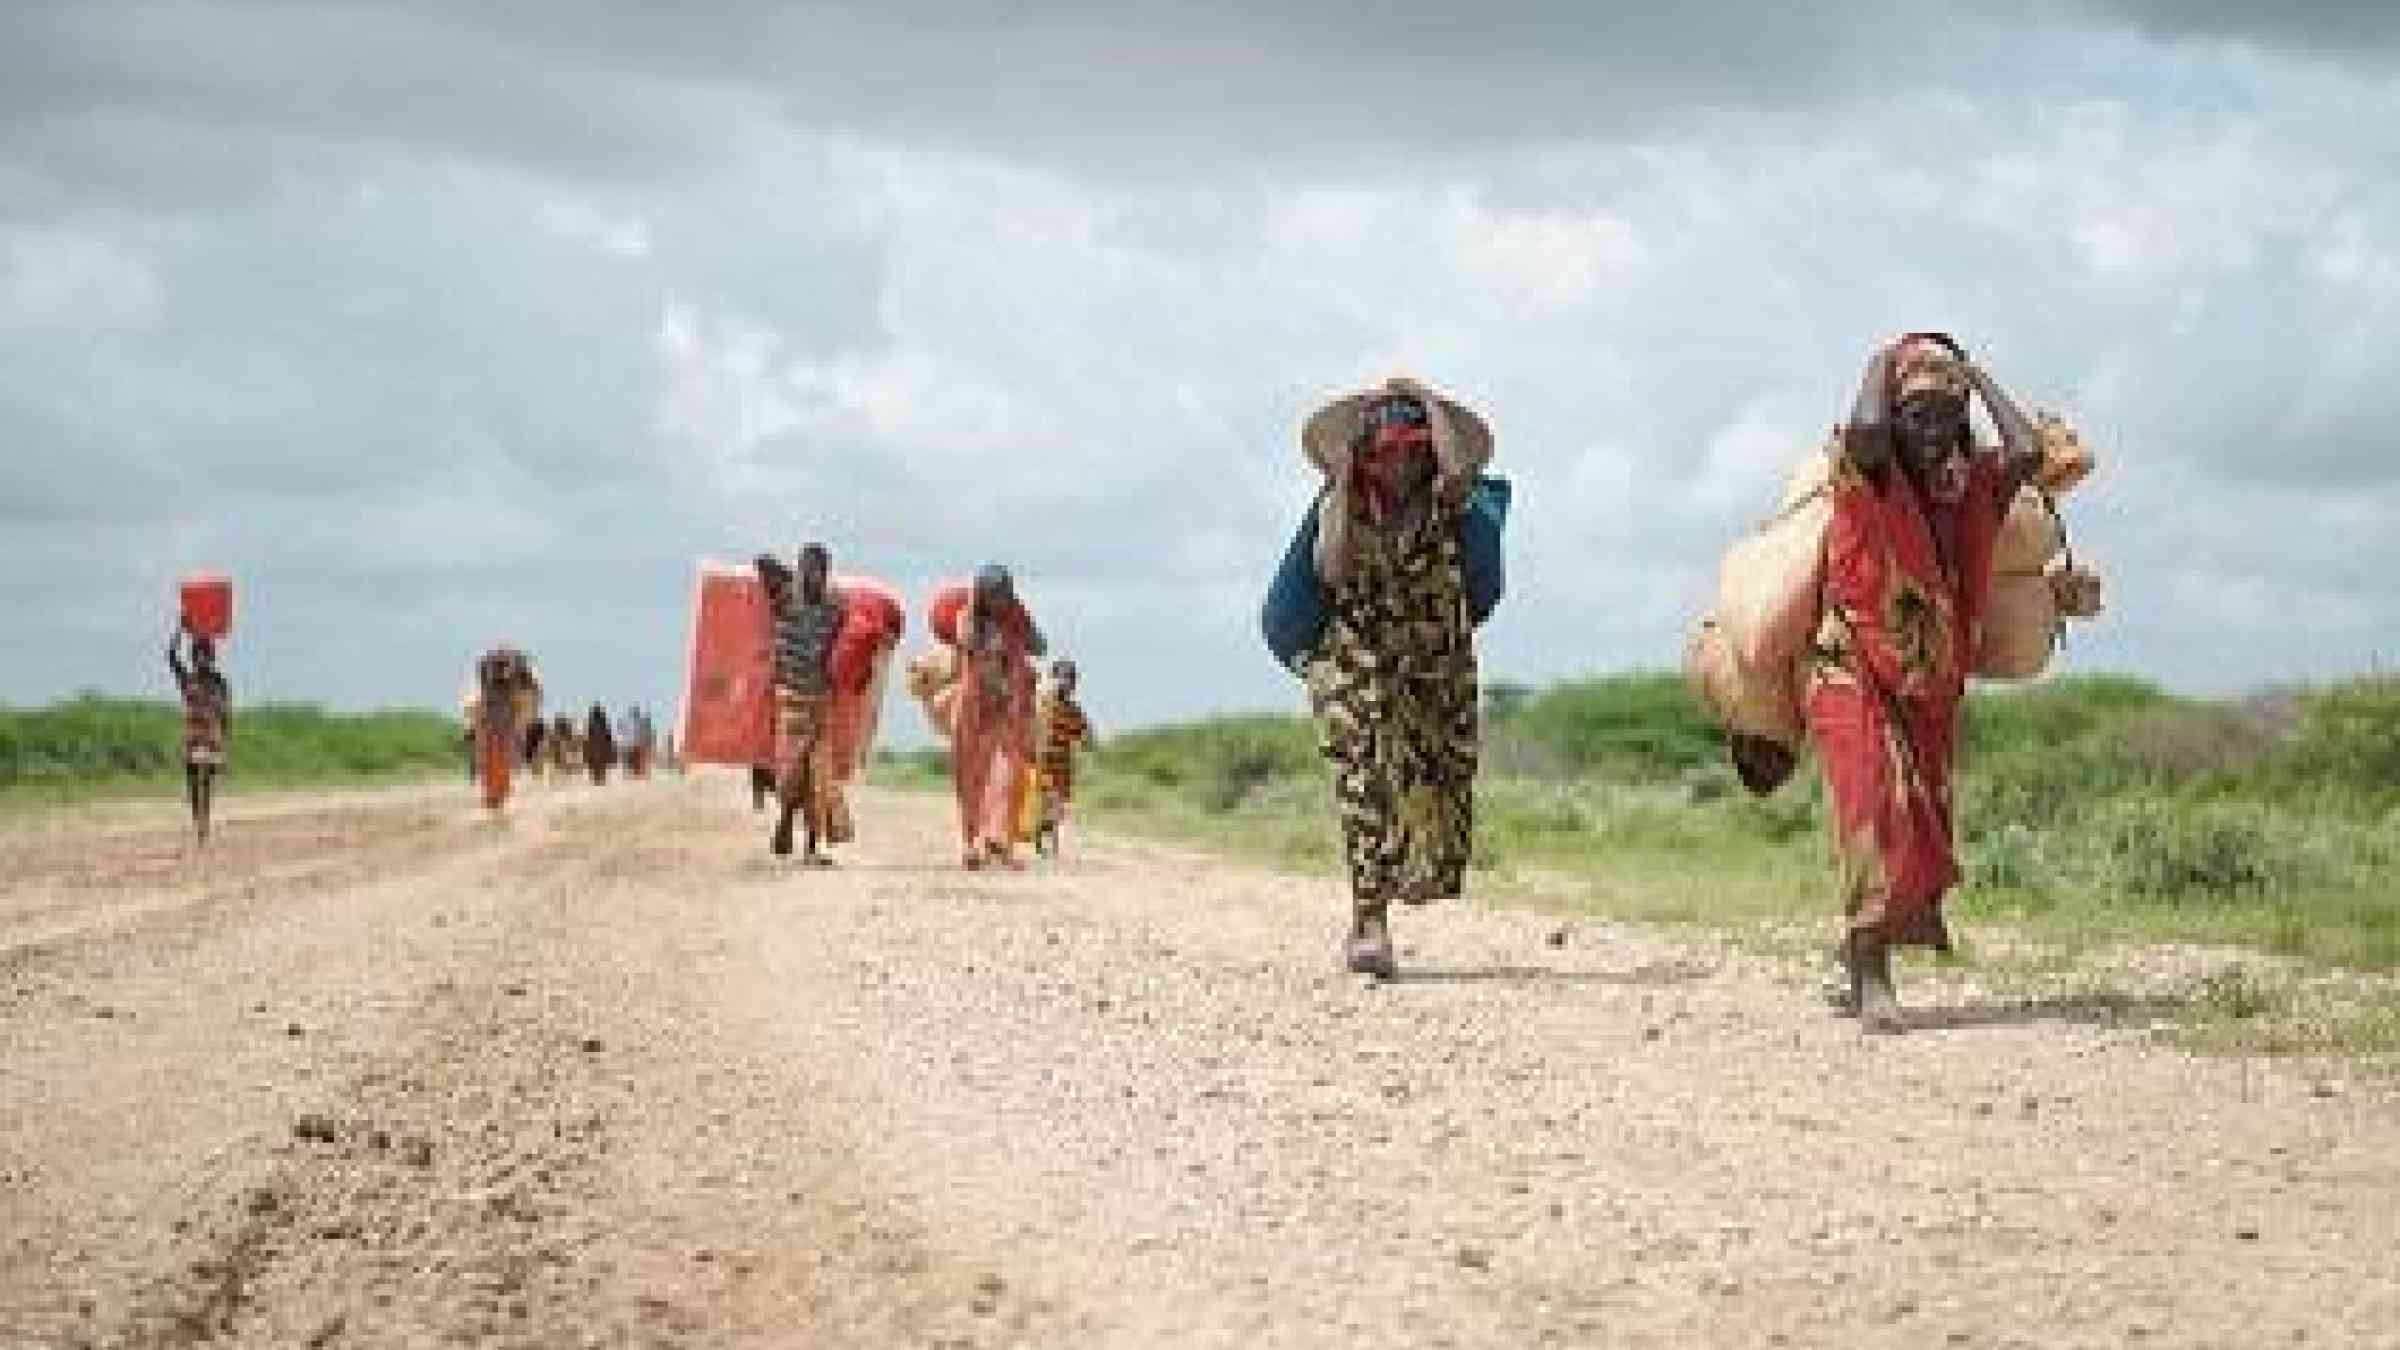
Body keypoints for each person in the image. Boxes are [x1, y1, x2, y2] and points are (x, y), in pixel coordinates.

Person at [1793, 333, 2045, 1034]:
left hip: (1929, 686)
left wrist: (1974, 375)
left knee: (1922, 826)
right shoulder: (1866, 474)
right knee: (1874, 809)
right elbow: (1870, 427)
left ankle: (1856, 953)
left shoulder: (1970, 489)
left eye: (1945, 418)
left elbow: (2028, 451)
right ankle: (1873, 977)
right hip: (1849, 667)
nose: (1931, 434)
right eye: (1917, 417)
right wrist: (1882, 357)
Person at [1302, 375, 1493, 979]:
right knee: (1363, 776)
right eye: (1388, 452)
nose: (1400, 466)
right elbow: (1330, 567)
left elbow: (1460, 468)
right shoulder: (1343, 506)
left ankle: (1417, 872)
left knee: (1445, 778)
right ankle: (1369, 919)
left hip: (1438, 666)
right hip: (1359, 663)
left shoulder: (1450, 499)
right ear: (1367, 453)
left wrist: (1424, 398)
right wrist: (1341, 475)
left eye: (1413, 452)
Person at [951, 565, 1045, 869]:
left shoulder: (1017, 615)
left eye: (1002, 596)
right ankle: (971, 844)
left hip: (1009, 711)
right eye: (992, 597)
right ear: (981, 595)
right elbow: (976, 655)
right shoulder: (968, 619)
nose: (998, 603)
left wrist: (1025, 633)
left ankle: (1003, 844)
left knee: (1010, 775)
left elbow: (1039, 646)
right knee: (972, 776)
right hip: (976, 709)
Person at [759, 544, 843, 863]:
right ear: (799, 569)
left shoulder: (835, 608)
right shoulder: (782, 598)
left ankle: (812, 845)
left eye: (820, 570)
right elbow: (762, 562)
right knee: (792, 772)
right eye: (808, 569)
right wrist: (787, 577)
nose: (814, 576)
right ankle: (785, 821)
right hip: (791, 699)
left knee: (819, 776)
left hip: (822, 701)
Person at [165, 626, 231, 843]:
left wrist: (226, 744)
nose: (200, 658)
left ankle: (205, 821)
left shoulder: (219, 682)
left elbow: (226, 713)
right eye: (197, 655)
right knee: (192, 780)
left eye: (204, 654)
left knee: (207, 783)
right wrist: (180, 630)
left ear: (211, 657)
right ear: (193, 657)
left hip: (212, 737)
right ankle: (198, 821)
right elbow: (172, 657)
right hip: (193, 735)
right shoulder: (187, 679)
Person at [1031, 659, 1097, 859]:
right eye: (1062, 679)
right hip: (1043, 763)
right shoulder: (1041, 705)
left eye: (1070, 680)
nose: (1066, 684)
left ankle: (1046, 837)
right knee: (1048, 802)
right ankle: (1044, 839)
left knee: (1058, 808)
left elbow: (1086, 736)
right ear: (1052, 680)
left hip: (1064, 766)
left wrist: (1086, 739)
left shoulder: (1075, 712)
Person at [472, 646, 536, 811]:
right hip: (498, 729)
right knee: (496, 762)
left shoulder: (501, 688)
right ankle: (495, 796)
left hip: (499, 729)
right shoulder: (500, 688)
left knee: (497, 763)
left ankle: (496, 796)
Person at [583, 703, 616, 786]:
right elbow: (608, 737)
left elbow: (589, 737)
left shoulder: (592, 724)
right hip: (600, 745)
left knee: (597, 762)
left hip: (597, 745)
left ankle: (598, 779)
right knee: (599, 762)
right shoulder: (601, 724)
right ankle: (599, 778)